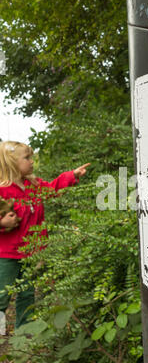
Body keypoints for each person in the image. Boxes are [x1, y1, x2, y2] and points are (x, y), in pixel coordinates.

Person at [0, 140, 90, 330]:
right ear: (11, 162)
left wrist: (71, 175)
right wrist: (2, 223)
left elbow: (52, 189)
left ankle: (24, 333)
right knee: (2, 295)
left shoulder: (33, 185)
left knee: (27, 294)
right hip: (7, 255)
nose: (31, 161)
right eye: (27, 158)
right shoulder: (3, 191)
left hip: (32, 252)